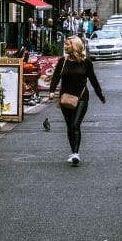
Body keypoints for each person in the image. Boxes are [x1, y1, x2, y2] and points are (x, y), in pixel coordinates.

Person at [49, 35, 106, 165]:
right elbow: (56, 77)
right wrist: (51, 91)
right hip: (65, 97)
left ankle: (75, 154)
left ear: (74, 46)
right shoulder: (63, 61)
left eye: (67, 44)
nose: (65, 46)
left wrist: (100, 95)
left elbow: (93, 80)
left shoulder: (86, 62)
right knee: (69, 126)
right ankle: (73, 151)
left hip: (81, 98)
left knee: (75, 124)